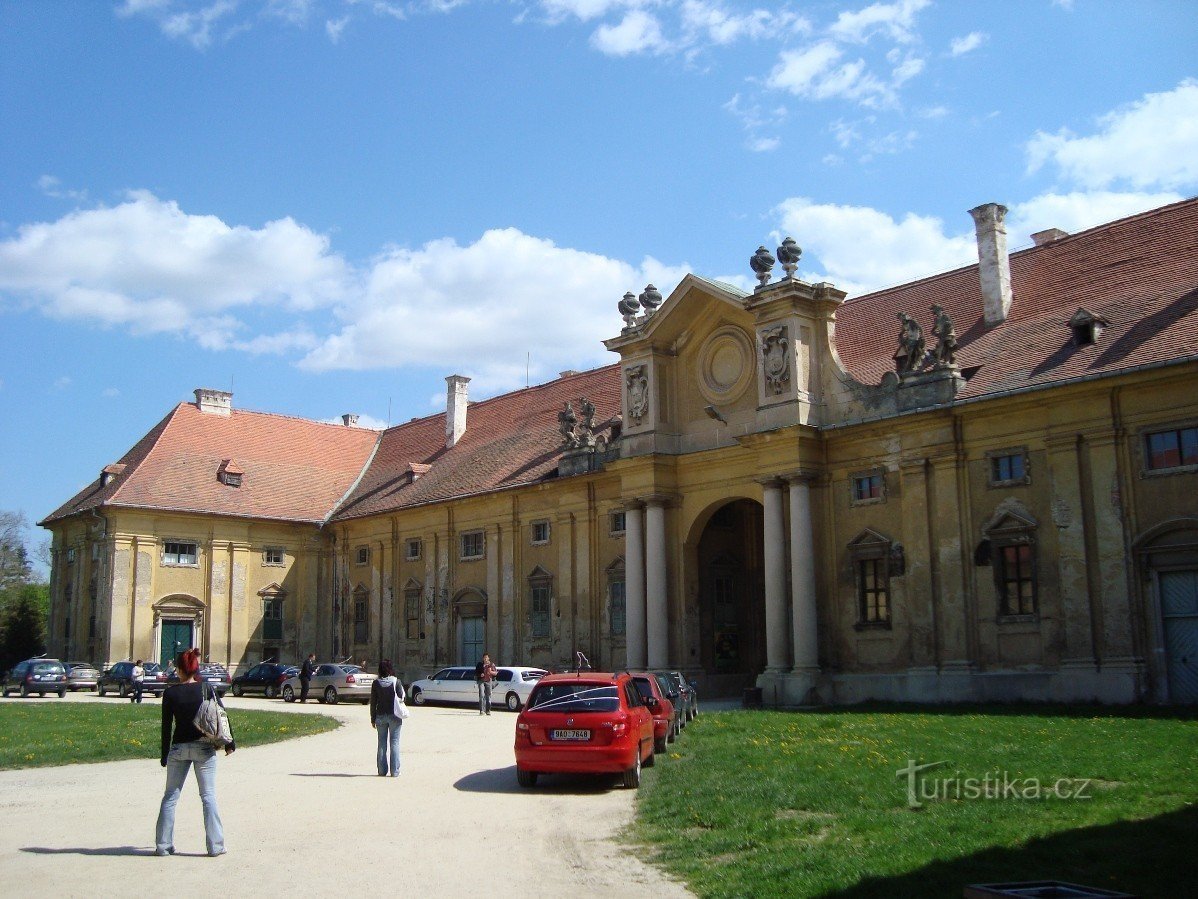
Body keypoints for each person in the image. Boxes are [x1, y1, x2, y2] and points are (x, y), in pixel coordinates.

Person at [157, 647, 235, 857]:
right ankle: (216, 846)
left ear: (179, 669)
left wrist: (164, 754)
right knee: (208, 796)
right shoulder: (206, 688)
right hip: (203, 747)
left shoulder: (170, 693)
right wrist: (229, 743)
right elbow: (221, 715)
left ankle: (163, 846)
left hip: (179, 748)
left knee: (170, 797)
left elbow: (166, 727)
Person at [369, 660, 404, 777]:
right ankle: (395, 771)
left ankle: (382, 770)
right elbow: (402, 697)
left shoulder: (376, 683)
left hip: (380, 716)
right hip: (395, 715)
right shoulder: (396, 681)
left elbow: (373, 703)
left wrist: (372, 718)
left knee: (381, 743)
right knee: (394, 743)